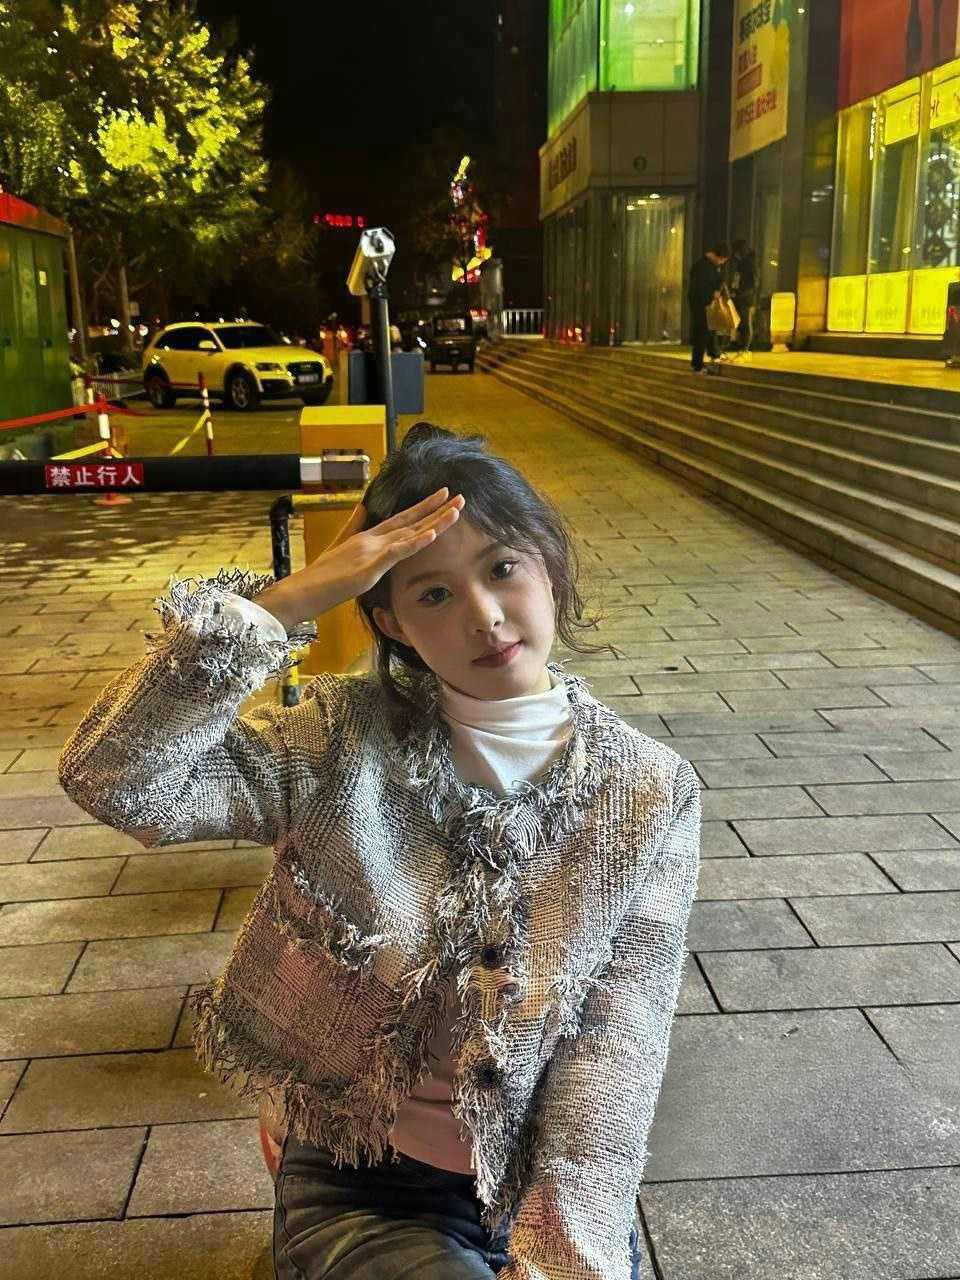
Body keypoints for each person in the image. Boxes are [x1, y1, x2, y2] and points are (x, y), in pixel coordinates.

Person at [58, 423, 702, 1280]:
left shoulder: (648, 789)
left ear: (549, 564)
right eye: (434, 593)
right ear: (392, 621)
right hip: (361, 1176)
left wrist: (562, 1258)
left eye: (503, 567)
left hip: (536, 1185)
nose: (484, 615)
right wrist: (284, 604)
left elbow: (616, 1048)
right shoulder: (339, 739)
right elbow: (116, 779)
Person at [687, 240, 729, 373]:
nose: (722, 263)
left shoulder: (710, 266)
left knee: (710, 329)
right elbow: (700, 289)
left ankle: (714, 353)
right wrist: (712, 294)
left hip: (705, 303)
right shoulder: (703, 267)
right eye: (722, 260)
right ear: (717, 256)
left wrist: (717, 289)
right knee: (702, 333)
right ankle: (697, 364)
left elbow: (719, 280)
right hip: (701, 304)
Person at [729, 238, 758, 356]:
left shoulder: (748, 264)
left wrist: (741, 293)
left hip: (745, 298)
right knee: (742, 323)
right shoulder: (742, 263)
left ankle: (745, 348)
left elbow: (753, 283)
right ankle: (742, 346)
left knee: (746, 323)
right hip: (742, 296)